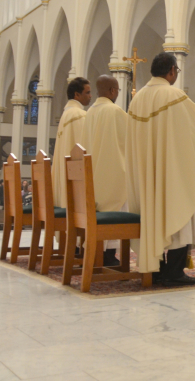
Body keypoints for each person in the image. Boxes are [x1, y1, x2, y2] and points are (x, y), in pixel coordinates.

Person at [127, 52, 195, 286]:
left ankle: (157, 268)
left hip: (146, 172)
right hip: (170, 170)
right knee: (180, 206)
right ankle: (174, 271)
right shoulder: (174, 96)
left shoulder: (137, 98)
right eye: (176, 72)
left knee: (153, 214)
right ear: (171, 70)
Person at [82, 74, 129, 267]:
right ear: (112, 90)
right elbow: (130, 142)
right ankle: (109, 254)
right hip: (110, 176)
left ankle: (99, 253)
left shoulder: (90, 112)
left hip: (92, 179)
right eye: (117, 90)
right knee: (121, 199)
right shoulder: (115, 111)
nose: (117, 93)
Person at [52, 77, 90, 208]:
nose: (90, 96)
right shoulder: (79, 115)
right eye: (87, 92)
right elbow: (85, 148)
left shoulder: (66, 114)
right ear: (77, 94)